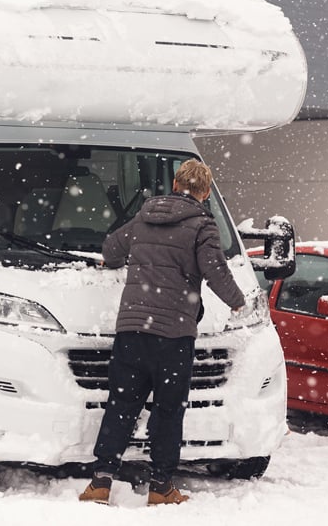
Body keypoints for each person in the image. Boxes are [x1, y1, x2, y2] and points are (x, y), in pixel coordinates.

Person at [79, 159, 245, 506]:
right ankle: (160, 487)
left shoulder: (143, 218)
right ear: (205, 192)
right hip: (172, 336)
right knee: (168, 410)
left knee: (122, 404)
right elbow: (214, 270)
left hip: (132, 331)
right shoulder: (203, 225)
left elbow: (111, 250)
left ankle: (100, 481)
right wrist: (237, 301)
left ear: (174, 186)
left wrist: (115, 262)